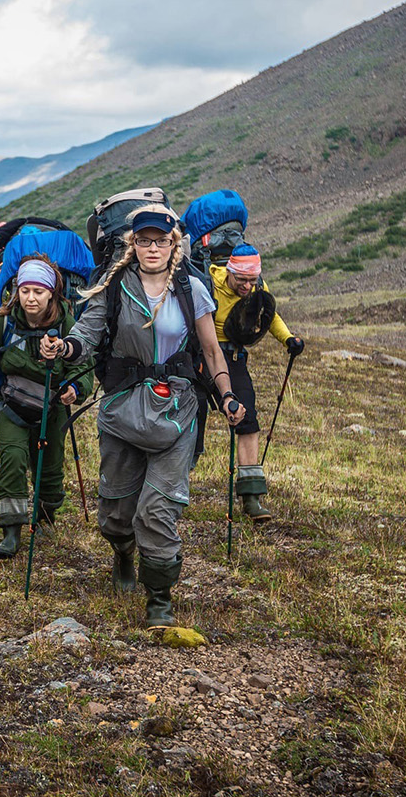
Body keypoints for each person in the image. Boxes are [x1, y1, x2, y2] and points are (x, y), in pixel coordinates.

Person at [40, 206, 244, 628]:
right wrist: (64, 349)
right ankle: (122, 552)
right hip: (122, 410)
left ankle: (159, 599)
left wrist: (226, 395)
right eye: (145, 240)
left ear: (174, 246)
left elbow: (210, 350)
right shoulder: (113, 286)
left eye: (161, 241)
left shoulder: (192, 288)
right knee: (116, 513)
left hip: (178, 411)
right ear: (133, 244)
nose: (153, 248)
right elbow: (87, 333)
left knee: (158, 510)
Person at [0, 256, 94, 559]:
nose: (30, 298)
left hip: (53, 410)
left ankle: (45, 515)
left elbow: (83, 365)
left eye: (38, 291)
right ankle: (11, 530)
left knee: (49, 468)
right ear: (16, 291)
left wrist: (76, 389)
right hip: (10, 407)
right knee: (13, 458)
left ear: (51, 293)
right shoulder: (3, 321)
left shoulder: (66, 324)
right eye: (25, 291)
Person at [210, 244, 305, 524]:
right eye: (242, 280)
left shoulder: (257, 287)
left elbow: (269, 315)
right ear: (230, 271)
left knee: (247, 418)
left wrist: (288, 339)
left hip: (235, 358)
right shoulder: (207, 284)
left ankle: (251, 498)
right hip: (202, 354)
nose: (247, 286)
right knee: (189, 416)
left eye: (252, 280)